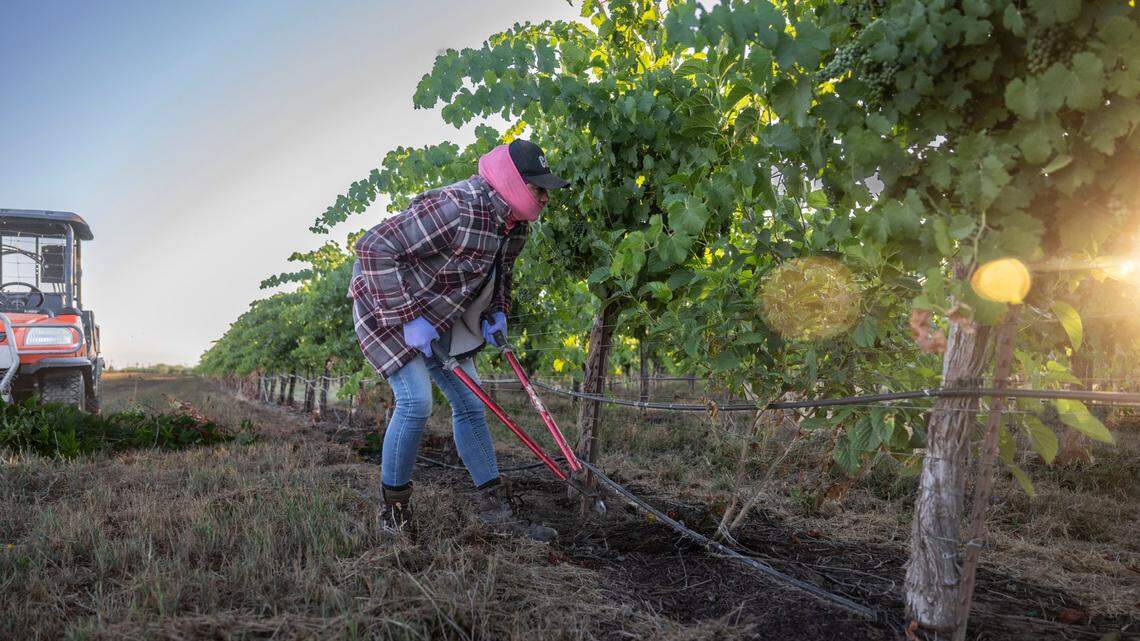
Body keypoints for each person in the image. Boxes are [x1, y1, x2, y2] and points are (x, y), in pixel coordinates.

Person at [348, 139, 570, 541]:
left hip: (442, 314)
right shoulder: (458, 206)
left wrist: (495, 311)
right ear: (512, 181)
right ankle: (393, 515)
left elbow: (499, 275)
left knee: (471, 403)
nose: (544, 197)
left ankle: (495, 509)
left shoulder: (514, 227)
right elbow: (374, 247)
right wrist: (406, 318)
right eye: (538, 187)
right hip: (388, 304)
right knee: (416, 401)